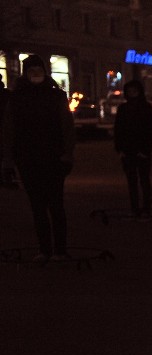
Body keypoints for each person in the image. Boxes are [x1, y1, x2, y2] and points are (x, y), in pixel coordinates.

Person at [1, 55, 75, 262]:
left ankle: (60, 250)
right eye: (31, 69)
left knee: (56, 205)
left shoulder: (56, 96)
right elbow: (9, 130)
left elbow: (67, 127)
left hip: (53, 158)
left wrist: (67, 154)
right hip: (28, 159)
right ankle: (45, 250)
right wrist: (9, 160)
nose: (35, 73)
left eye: (38, 69)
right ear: (26, 73)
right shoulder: (16, 98)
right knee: (37, 206)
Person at [113, 80, 152, 218]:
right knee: (131, 181)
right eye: (129, 91)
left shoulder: (147, 108)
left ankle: (146, 208)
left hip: (142, 151)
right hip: (127, 151)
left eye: (134, 91)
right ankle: (135, 208)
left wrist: (145, 150)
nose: (132, 94)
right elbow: (118, 130)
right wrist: (119, 149)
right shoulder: (123, 109)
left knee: (144, 180)